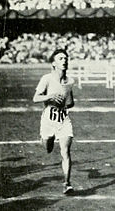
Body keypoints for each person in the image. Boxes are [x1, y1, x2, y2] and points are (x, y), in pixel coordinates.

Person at [33, 49, 75, 194]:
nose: (64, 60)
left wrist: (64, 103)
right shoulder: (46, 79)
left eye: (66, 58)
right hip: (48, 120)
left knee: (66, 151)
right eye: (61, 58)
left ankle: (67, 183)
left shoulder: (70, 81)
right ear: (54, 63)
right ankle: (44, 139)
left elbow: (71, 103)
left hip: (63, 119)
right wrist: (50, 97)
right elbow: (35, 98)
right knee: (48, 148)